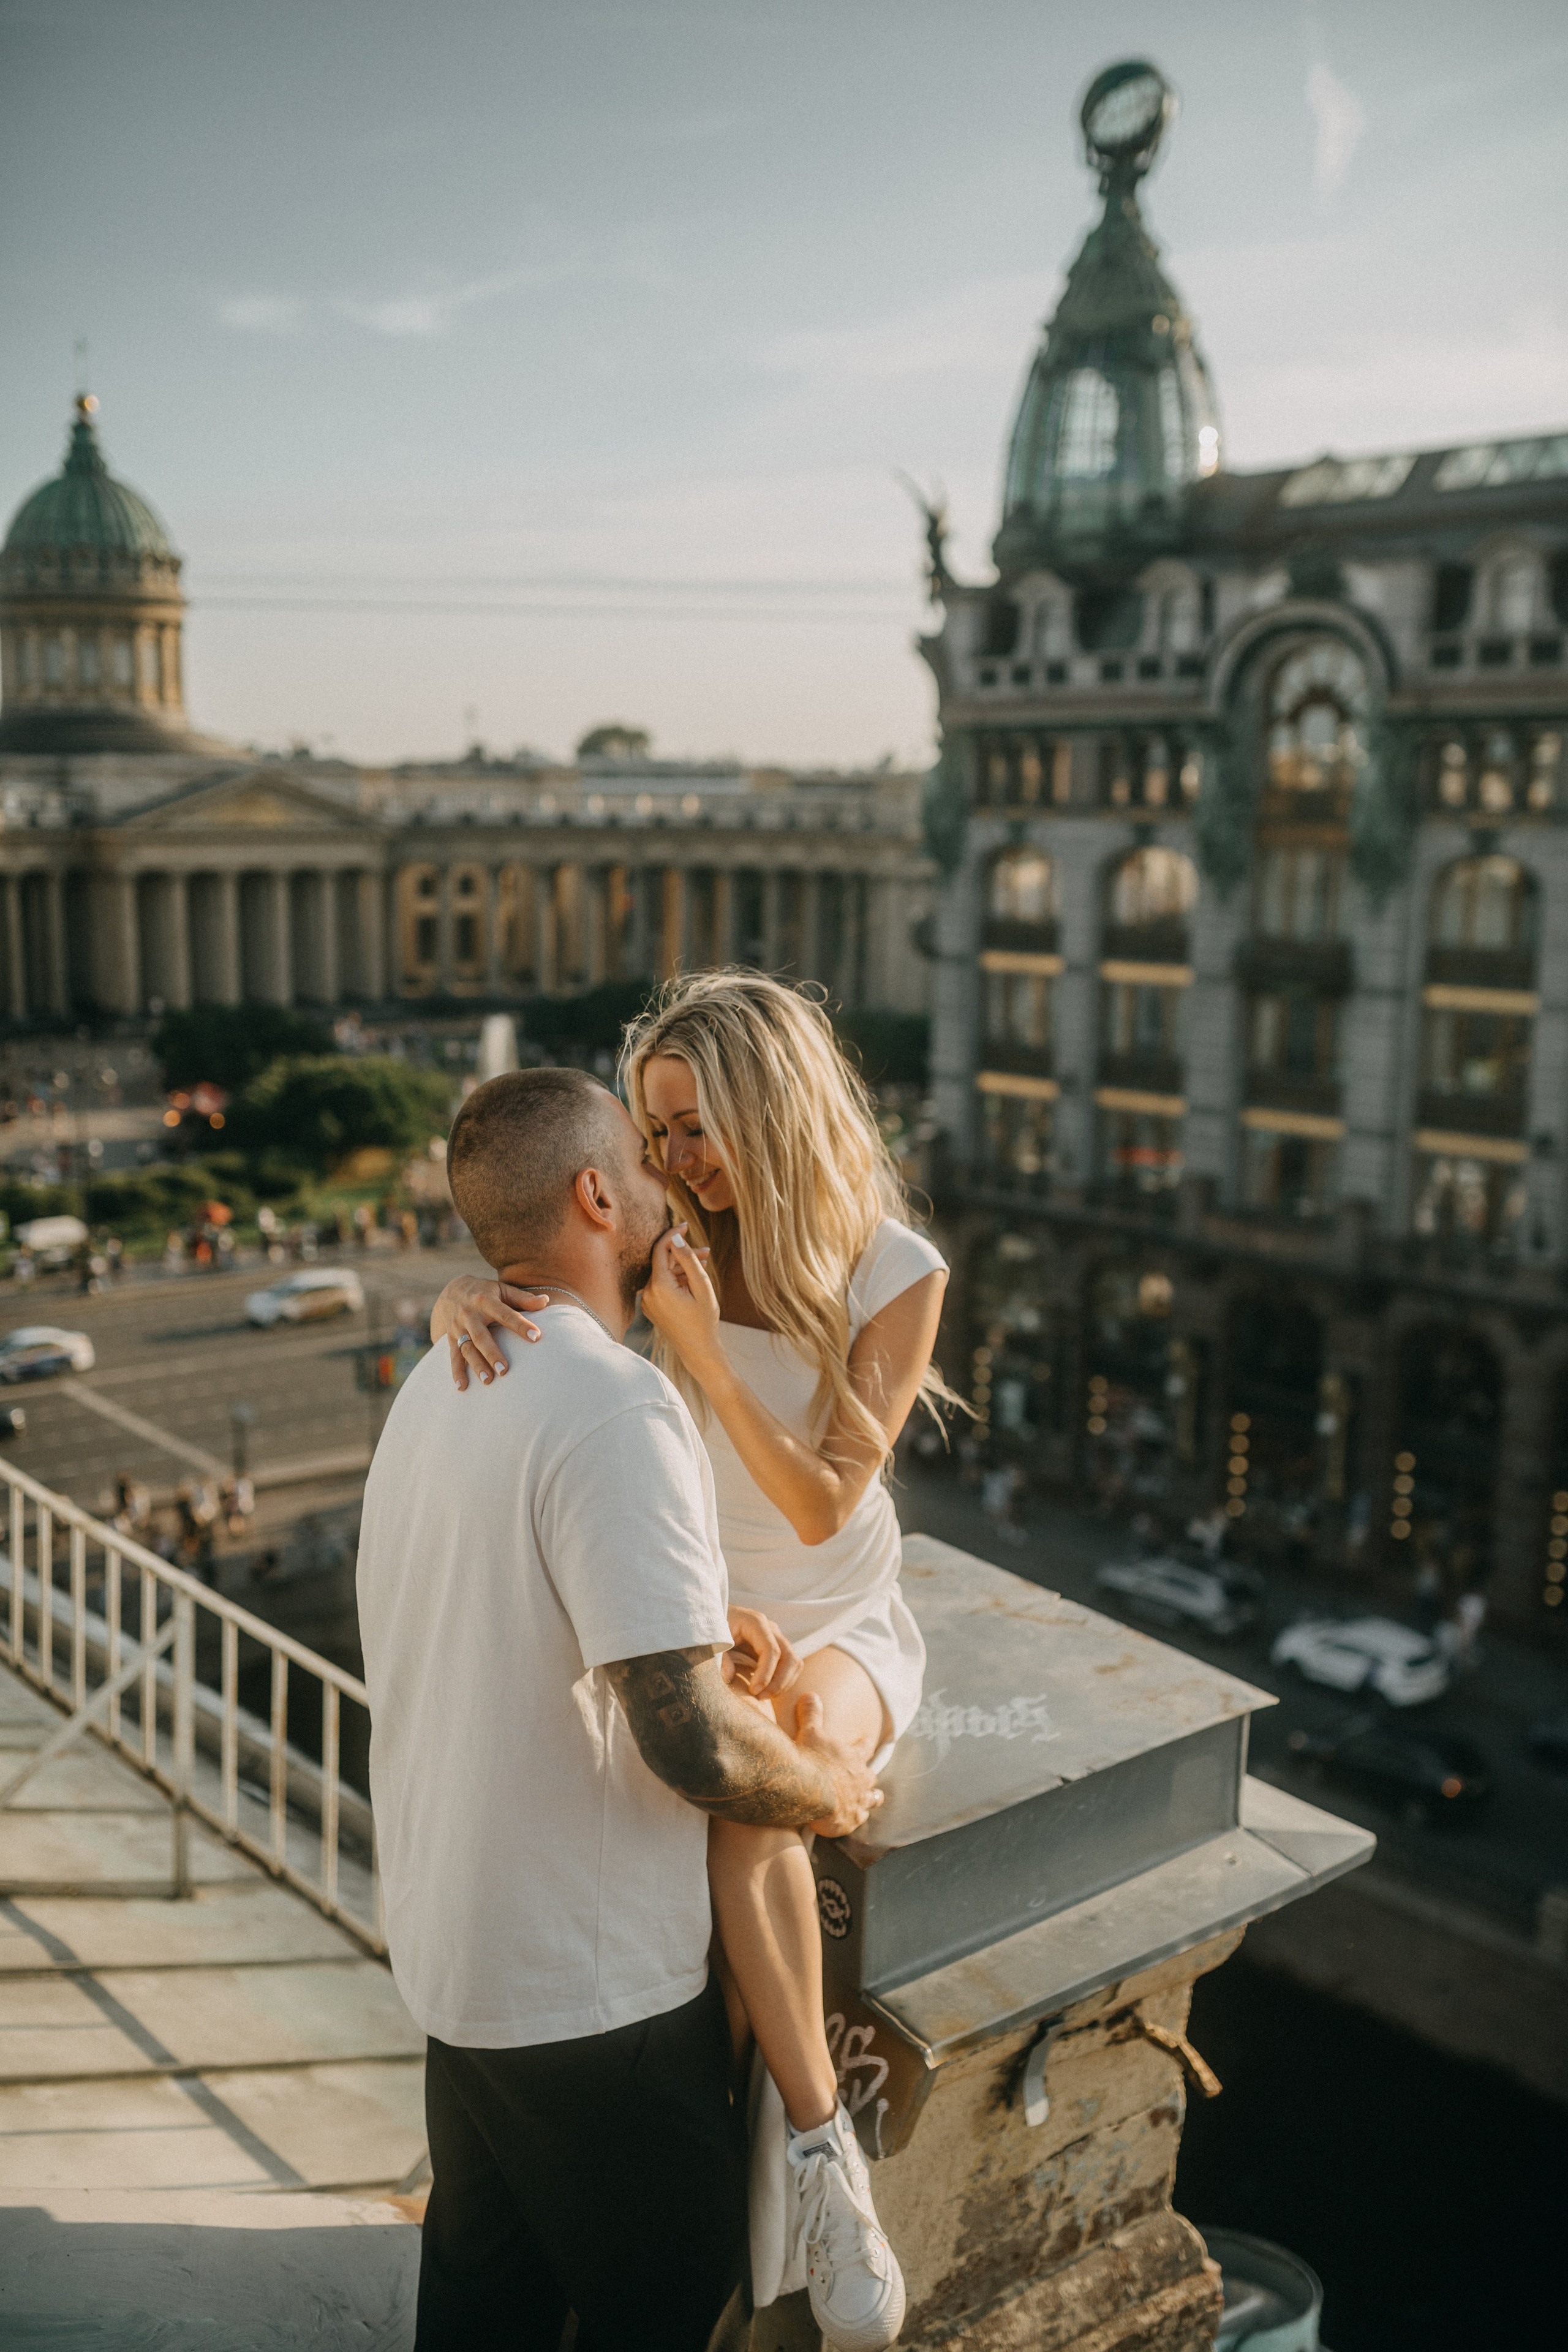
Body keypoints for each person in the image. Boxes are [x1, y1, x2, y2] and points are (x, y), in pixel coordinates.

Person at [432, 970, 950, 2345]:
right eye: (654, 1136)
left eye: (688, 1128)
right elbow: (554, 1294)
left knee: (744, 1800)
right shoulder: (671, 1241)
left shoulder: (891, 1272)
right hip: (702, 1609)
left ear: (765, 1109)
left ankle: (819, 2152)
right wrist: (460, 1295)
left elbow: (826, 1504)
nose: (668, 1162)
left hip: (835, 1618)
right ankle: (681, 2189)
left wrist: (703, 1354)